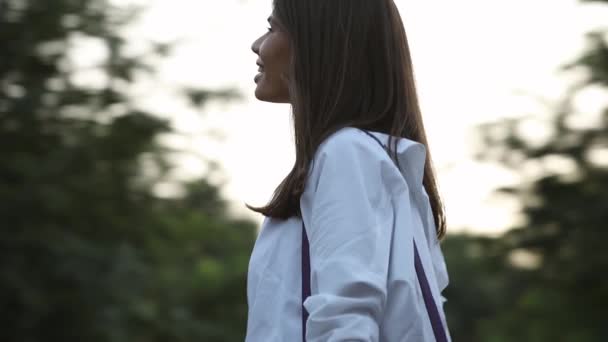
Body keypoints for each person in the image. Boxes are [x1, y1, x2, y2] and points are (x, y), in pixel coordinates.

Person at [245, 0, 451, 341]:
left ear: (317, 42)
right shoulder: (371, 159)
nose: (257, 44)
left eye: (272, 27)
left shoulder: (347, 154)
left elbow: (344, 319)